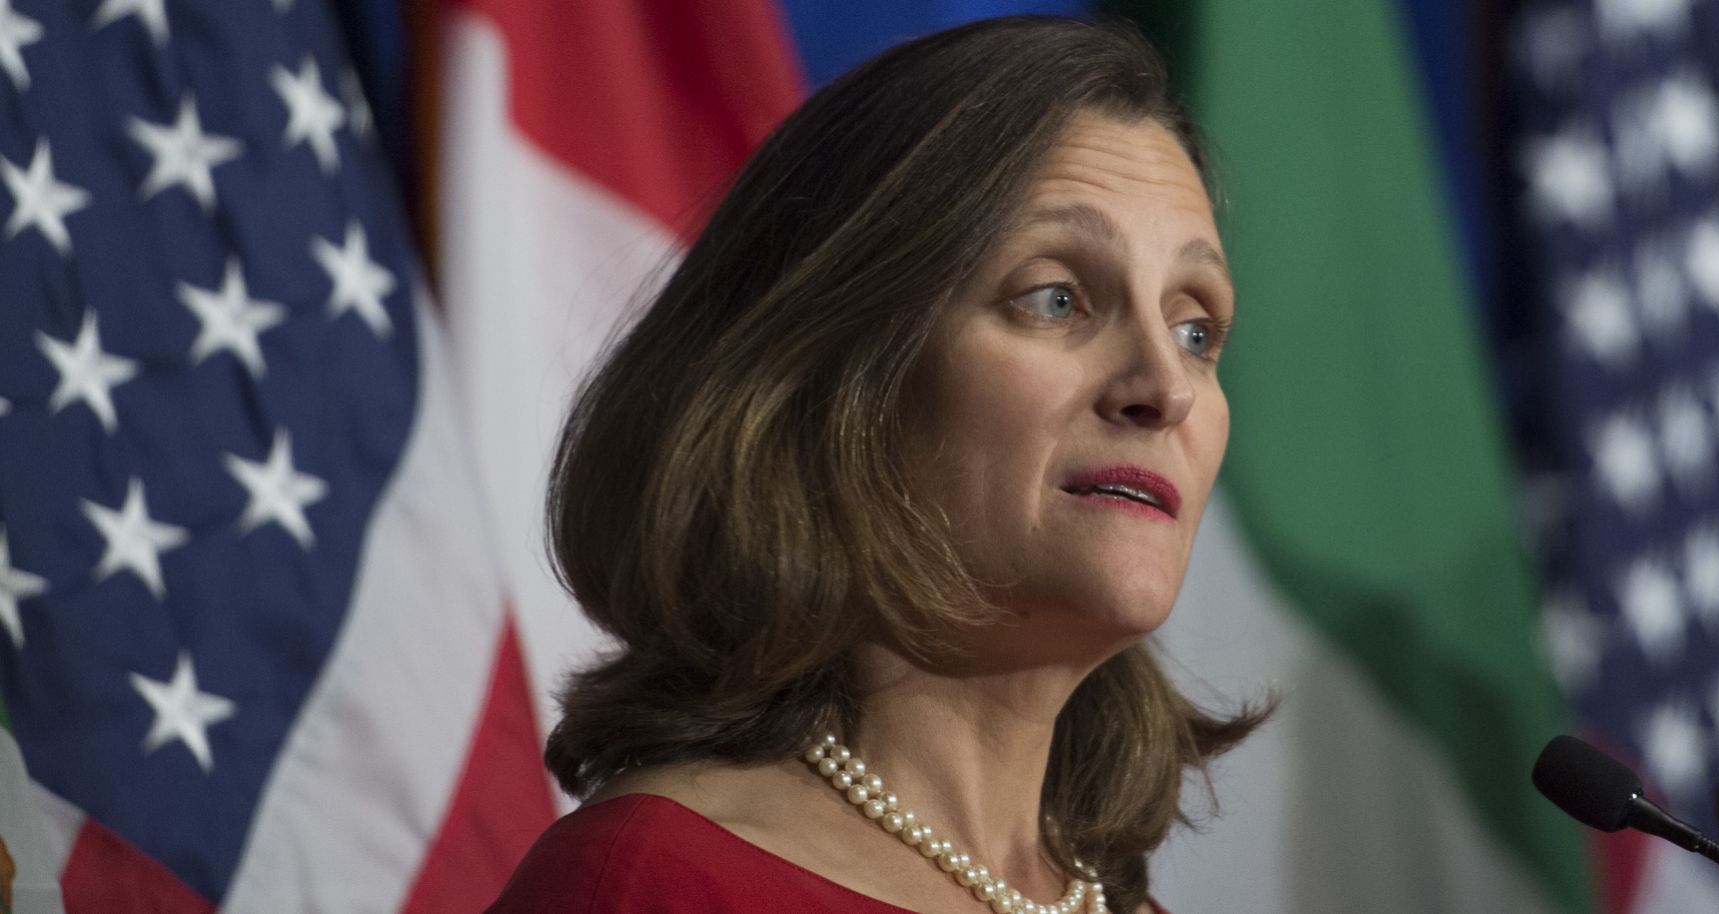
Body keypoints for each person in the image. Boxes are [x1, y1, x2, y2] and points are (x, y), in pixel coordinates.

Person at [487, 16, 1270, 914]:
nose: (1164, 387)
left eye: (1195, 329)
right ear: (832, 386)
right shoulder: (653, 883)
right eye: (1056, 298)